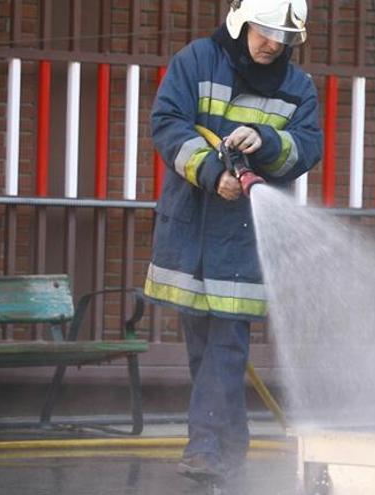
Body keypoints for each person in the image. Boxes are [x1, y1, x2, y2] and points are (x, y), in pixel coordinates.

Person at [144, 0, 322, 481]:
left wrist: (264, 140)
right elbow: (167, 124)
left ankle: (203, 449)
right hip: (192, 227)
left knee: (226, 347)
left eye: (284, 36)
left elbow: (306, 148)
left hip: (243, 237)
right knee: (204, 349)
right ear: (243, 21)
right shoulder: (195, 61)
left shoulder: (298, 87)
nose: (273, 44)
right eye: (266, 30)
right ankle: (233, 444)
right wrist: (208, 171)